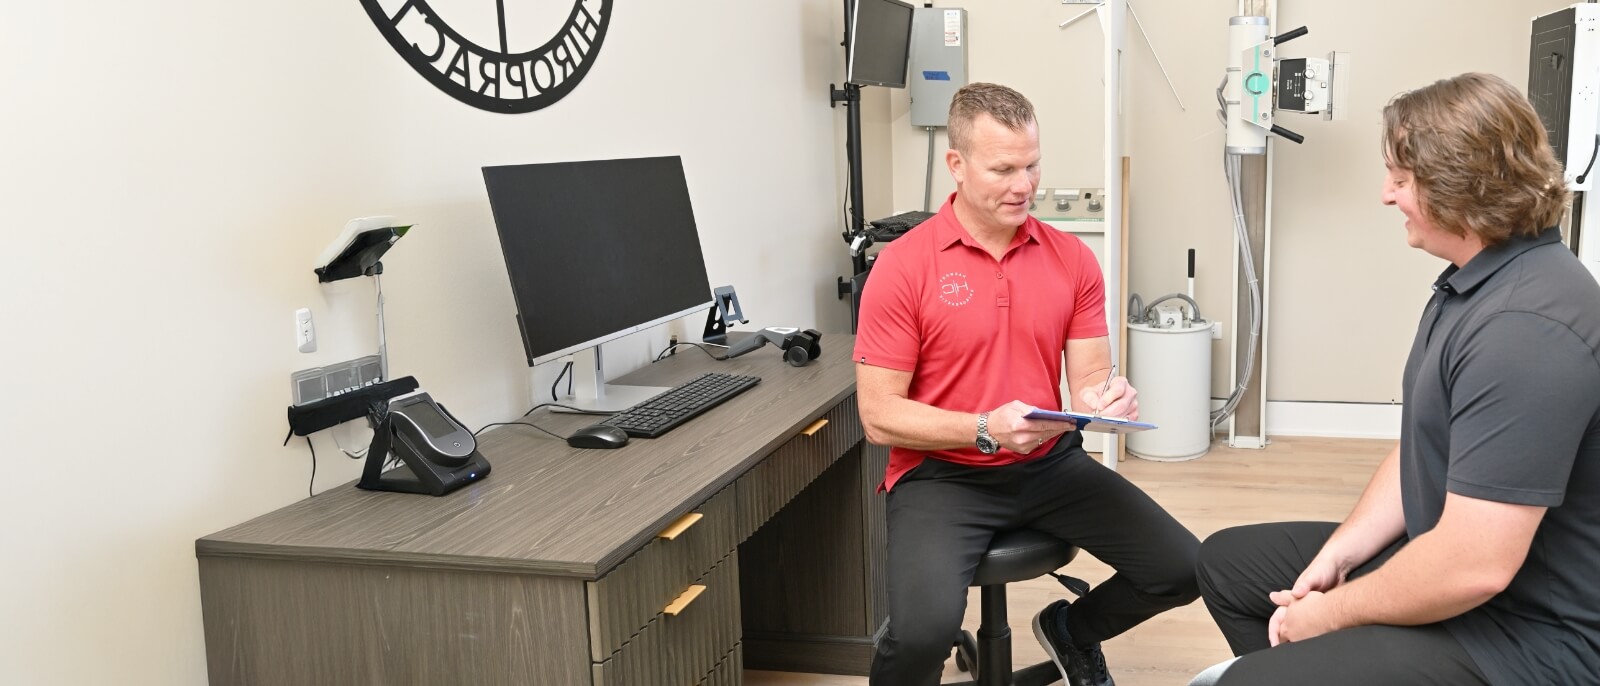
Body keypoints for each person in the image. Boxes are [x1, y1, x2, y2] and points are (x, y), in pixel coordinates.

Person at [1194, 72, 1600, 685]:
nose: (1388, 196)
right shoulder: (1479, 279)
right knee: (1232, 566)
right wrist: (1341, 555)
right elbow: (1426, 440)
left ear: (1461, 189)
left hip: (1529, 637)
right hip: (1467, 568)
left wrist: (1329, 617)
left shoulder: (1526, 329)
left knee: (1251, 676)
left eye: (1403, 181)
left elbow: (1474, 566)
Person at [853, 82, 1200, 686]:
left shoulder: (1071, 259)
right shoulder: (903, 266)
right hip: (942, 474)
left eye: (1033, 165)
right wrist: (984, 429)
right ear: (956, 165)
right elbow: (879, 414)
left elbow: (1090, 373)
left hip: (1048, 465)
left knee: (1183, 567)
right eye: (1004, 168)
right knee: (919, 638)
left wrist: (1104, 397)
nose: (1024, 185)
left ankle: (1072, 631)